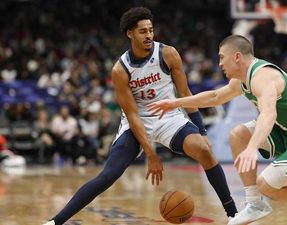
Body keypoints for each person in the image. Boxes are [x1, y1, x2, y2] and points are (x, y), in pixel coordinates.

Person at [42, 7, 237, 225]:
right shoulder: (120, 69)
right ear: (129, 33)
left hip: (168, 116)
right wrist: (150, 154)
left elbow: (185, 94)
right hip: (137, 122)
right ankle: (55, 222)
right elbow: (132, 114)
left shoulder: (168, 54)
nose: (149, 35)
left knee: (204, 151)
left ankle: (233, 214)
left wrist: (202, 131)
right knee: (108, 176)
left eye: (151, 30)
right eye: (143, 31)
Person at [149, 35, 287, 225]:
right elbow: (215, 96)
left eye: (222, 57)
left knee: (267, 185)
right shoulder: (242, 79)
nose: (220, 63)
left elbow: (268, 115)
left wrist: (252, 147)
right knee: (238, 135)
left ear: (237, 56)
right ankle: (255, 204)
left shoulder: (262, 77)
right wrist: (175, 103)